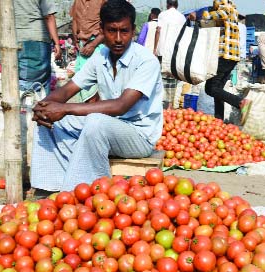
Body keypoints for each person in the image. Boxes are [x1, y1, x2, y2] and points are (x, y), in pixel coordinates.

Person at [30, 0, 163, 194]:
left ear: (133, 30)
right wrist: (44, 106)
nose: (118, 38)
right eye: (111, 31)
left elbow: (121, 106)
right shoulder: (100, 57)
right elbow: (68, 89)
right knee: (47, 119)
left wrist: (65, 108)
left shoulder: (146, 61)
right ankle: (51, 188)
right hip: (106, 127)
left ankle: (83, 192)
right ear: (101, 29)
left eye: (124, 31)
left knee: (95, 123)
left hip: (138, 137)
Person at [189, 0, 248, 120]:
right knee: (218, 90)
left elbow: (210, 16)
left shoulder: (226, 9)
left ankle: (240, 102)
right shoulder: (232, 11)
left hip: (224, 56)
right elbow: (208, 24)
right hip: (231, 57)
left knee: (211, 88)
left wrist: (200, 15)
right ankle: (219, 120)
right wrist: (197, 22)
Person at [14, 0, 61, 94]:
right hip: (36, 40)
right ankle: (32, 107)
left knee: (21, 79)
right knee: (35, 85)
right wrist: (57, 43)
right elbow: (49, 16)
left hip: (15, 38)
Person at [70, 0, 106, 102]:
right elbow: (75, 20)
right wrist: (75, 38)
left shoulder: (103, 1)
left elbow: (109, 24)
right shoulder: (77, 2)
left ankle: (93, 113)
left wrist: (93, 44)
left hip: (98, 45)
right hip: (82, 46)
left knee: (95, 85)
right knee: (81, 82)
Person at [154, 0, 186, 109]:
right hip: (174, 53)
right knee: (172, 79)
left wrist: (155, 49)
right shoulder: (182, 17)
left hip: (162, 51)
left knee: (160, 79)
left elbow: (158, 30)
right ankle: (170, 107)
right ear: (177, 5)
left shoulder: (162, 15)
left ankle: (160, 105)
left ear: (167, 4)